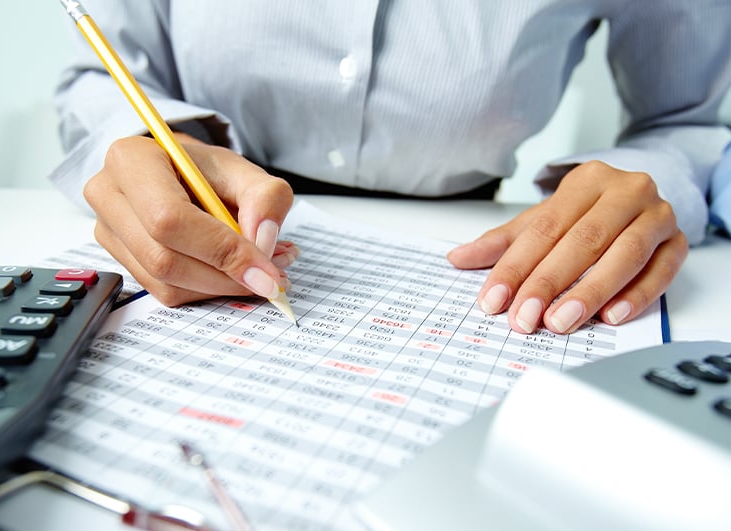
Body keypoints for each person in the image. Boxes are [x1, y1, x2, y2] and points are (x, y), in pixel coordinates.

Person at [50, 1, 731, 335]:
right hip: (213, 219)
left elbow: (685, 124)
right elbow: (102, 78)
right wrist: (139, 140)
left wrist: (653, 179)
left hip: (465, 239)